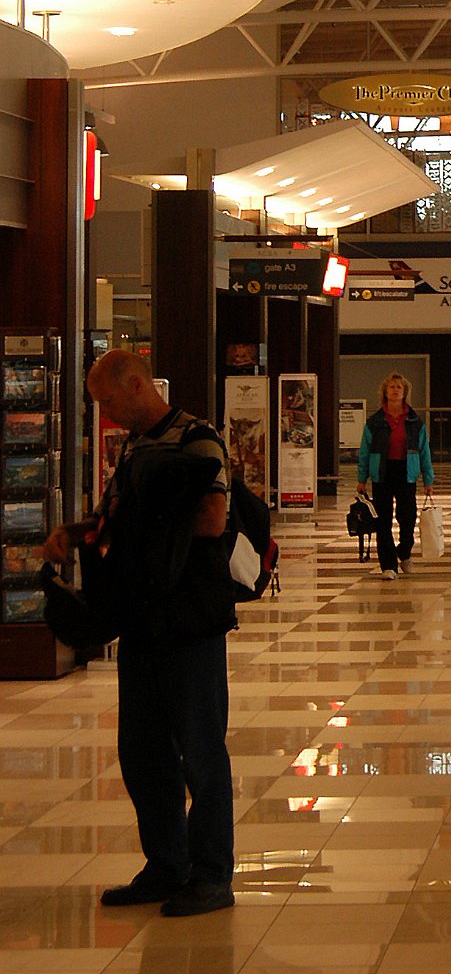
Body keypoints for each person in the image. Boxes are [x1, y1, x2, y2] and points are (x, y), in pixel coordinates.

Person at [41, 349, 236, 916]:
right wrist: (71, 534)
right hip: (142, 620)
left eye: (107, 401)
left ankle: (211, 876)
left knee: (201, 751)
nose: (106, 414)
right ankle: (166, 865)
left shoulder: (198, 439)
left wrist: (146, 528)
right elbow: (112, 517)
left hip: (190, 621)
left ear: (135, 385)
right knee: (142, 752)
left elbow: (213, 519)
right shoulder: (133, 448)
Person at [357, 372, 433, 579]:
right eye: (391, 387)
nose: (395, 390)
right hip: (382, 472)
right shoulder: (375, 422)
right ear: (385, 392)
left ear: (405, 392)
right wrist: (362, 478)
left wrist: (428, 479)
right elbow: (365, 451)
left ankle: (405, 551)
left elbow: (424, 451)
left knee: (407, 517)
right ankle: (388, 565)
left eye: (399, 387)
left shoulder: (415, 422)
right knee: (382, 520)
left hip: (406, 472)